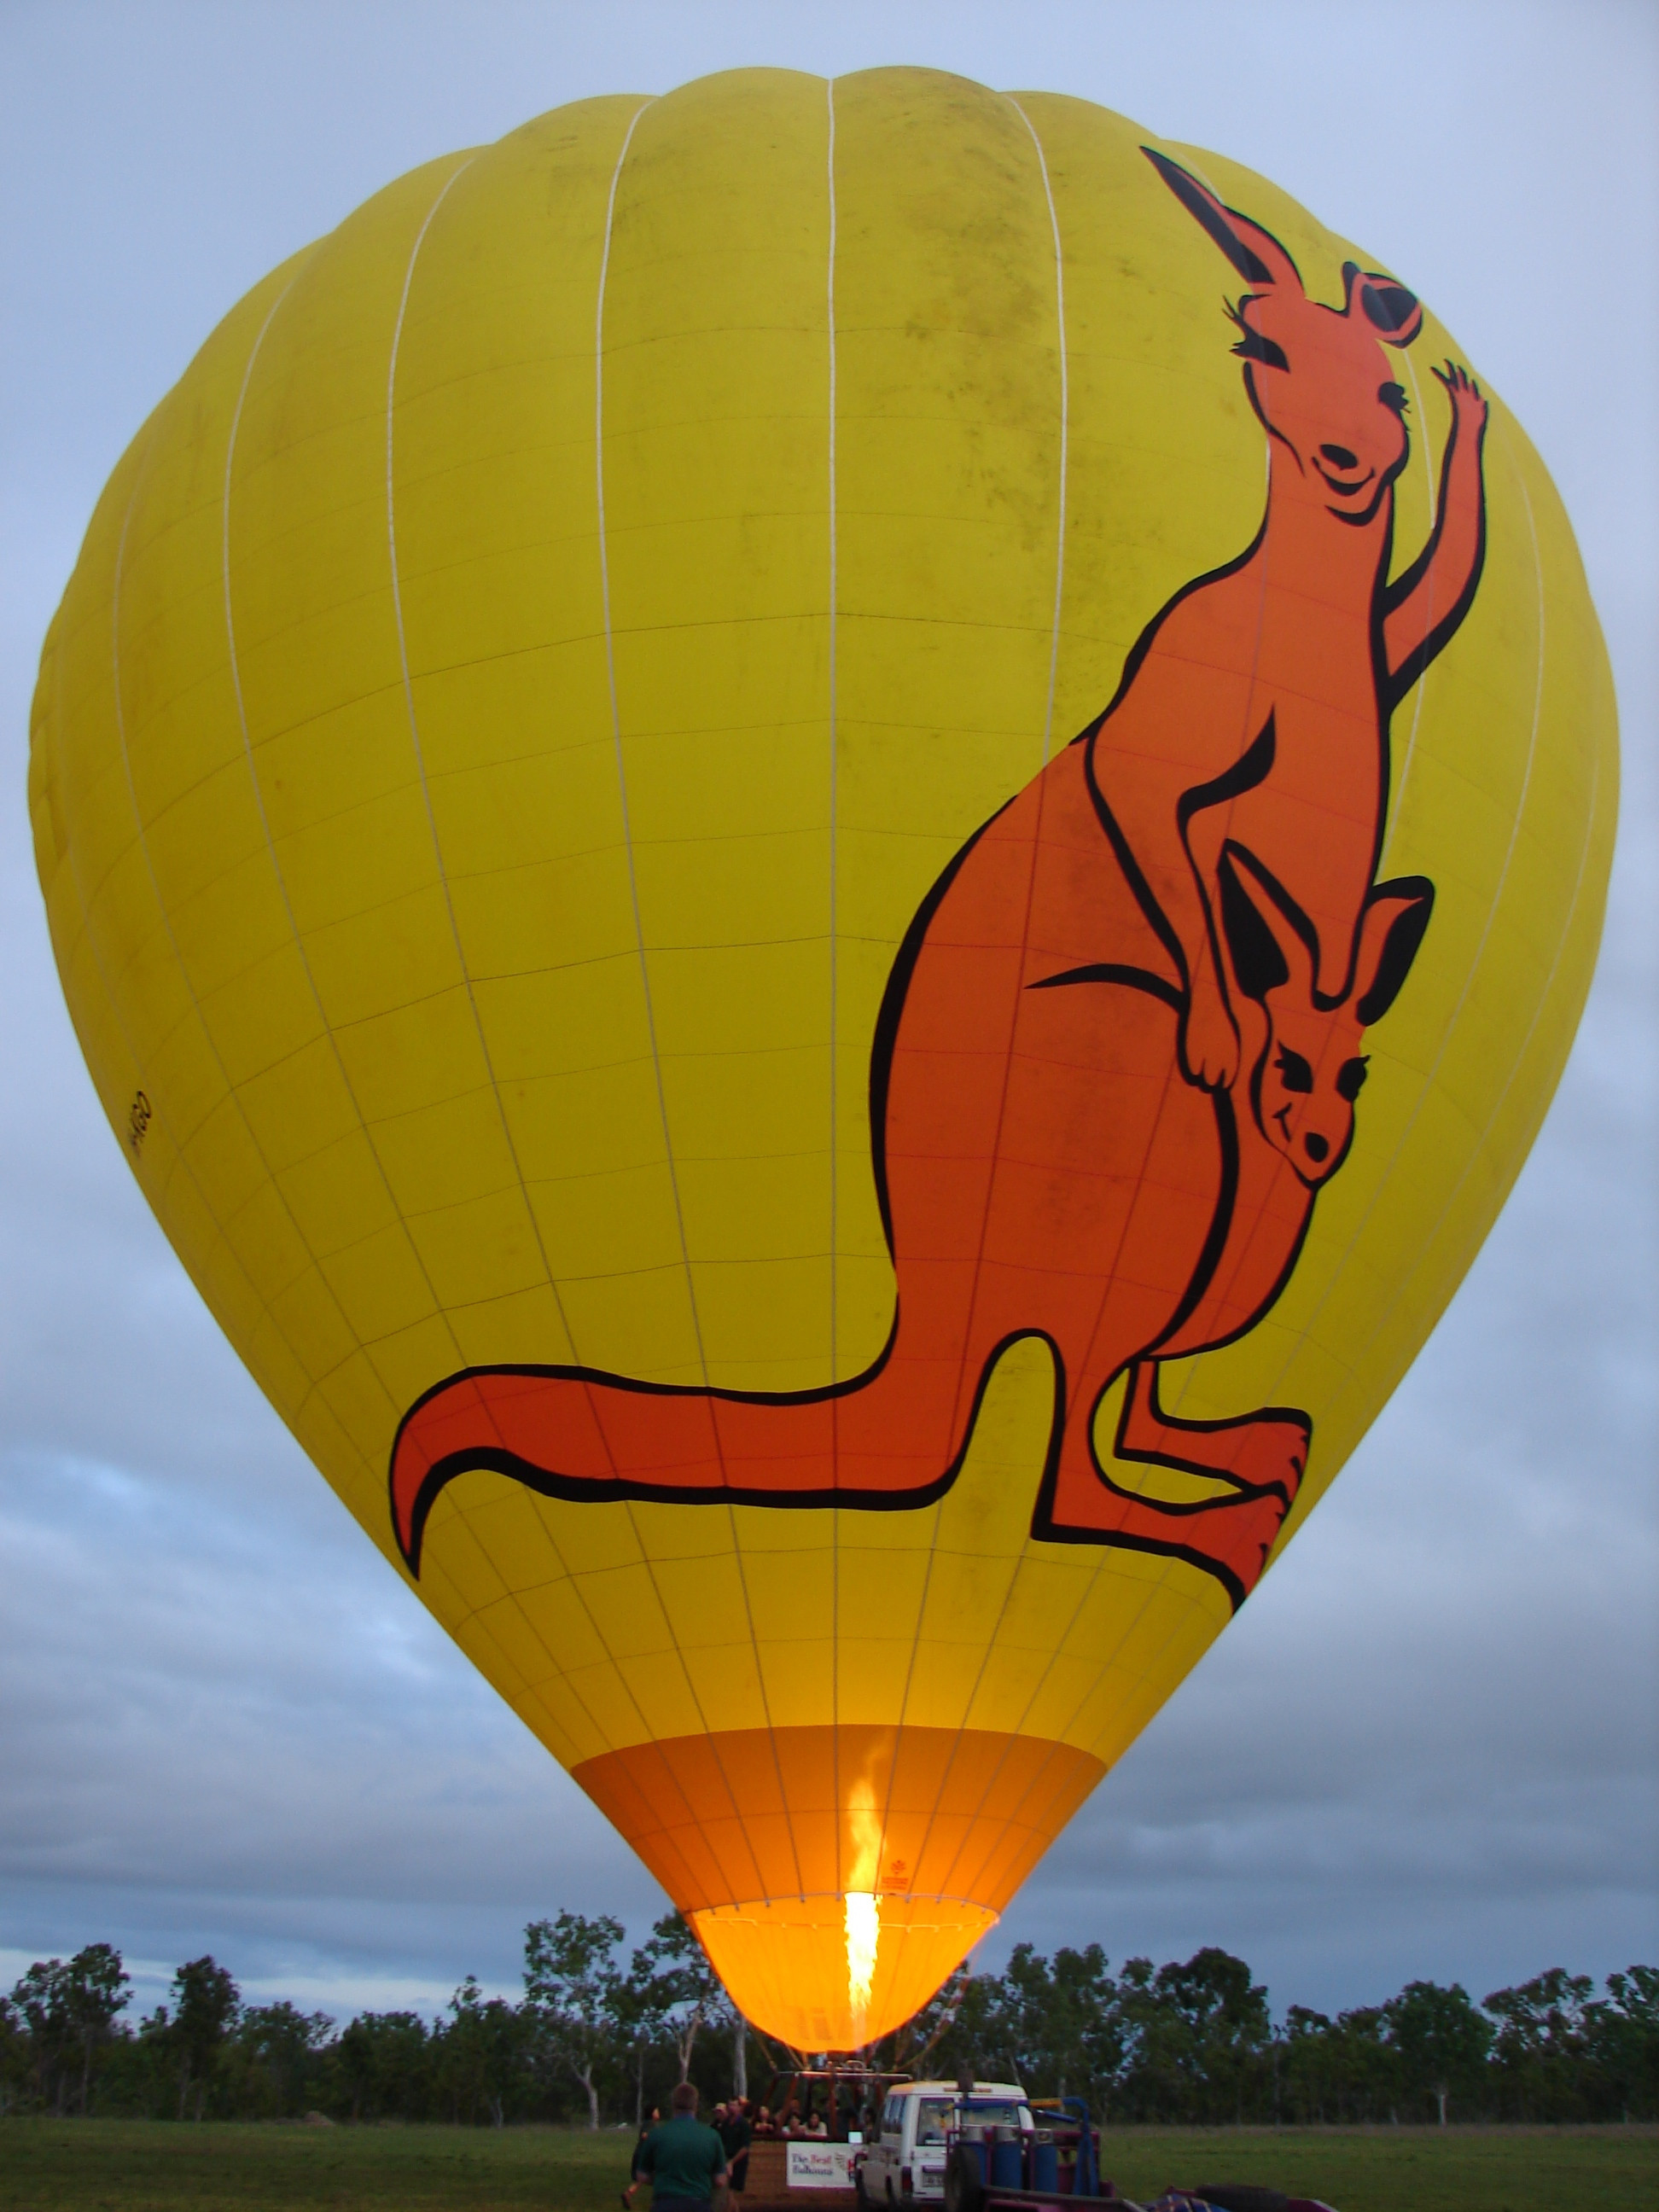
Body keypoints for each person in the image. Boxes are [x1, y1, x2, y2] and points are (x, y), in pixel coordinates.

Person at [634, 2081, 730, 2212]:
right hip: (699, 2204)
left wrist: (660, 2179)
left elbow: (642, 2175)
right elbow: (720, 2180)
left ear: (673, 2105)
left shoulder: (657, 2135)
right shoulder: (712, 2137)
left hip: (665, 2203)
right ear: (696, 2105)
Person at [621, 2105, 661, 2209]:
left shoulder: (651, 2124)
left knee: (643, 2178)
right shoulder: (650, 2123)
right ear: (652, 2113)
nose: (658, 2112)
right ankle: (659, 2202)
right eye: (656, 2110)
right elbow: (644, 2135)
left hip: (642, 2154)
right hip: (645, 2155)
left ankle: (628, 2194)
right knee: (660, 2177)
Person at [719, 2096, 753, 2194]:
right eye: (730, 2105)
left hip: (739, 2161)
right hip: (726, 2159)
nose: (731, 2107)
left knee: (734, 2192)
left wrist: (732, 2162)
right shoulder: (725, 2123)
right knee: (727, 2191)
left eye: (734, 2105)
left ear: (739, 2107)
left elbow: (745, 2147)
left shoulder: (744, 2125)